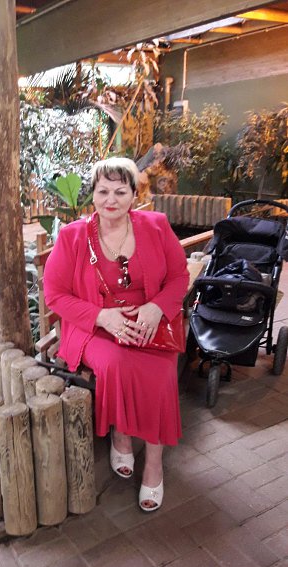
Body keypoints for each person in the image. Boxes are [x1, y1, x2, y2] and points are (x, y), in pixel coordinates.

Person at [44, 157, 189, 512]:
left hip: (150, 324)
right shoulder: (73, 236)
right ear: (92, 195)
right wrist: (101, 317)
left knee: (161, 374)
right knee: (116, 364)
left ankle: (153, 463)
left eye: (120, 192)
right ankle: (121, 434)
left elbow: (179, 277)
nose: (111, 200)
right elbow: (54, 295)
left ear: (134, 195)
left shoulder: (156, 226)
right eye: (103, 191)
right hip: (96, 327)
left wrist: (157, 308)